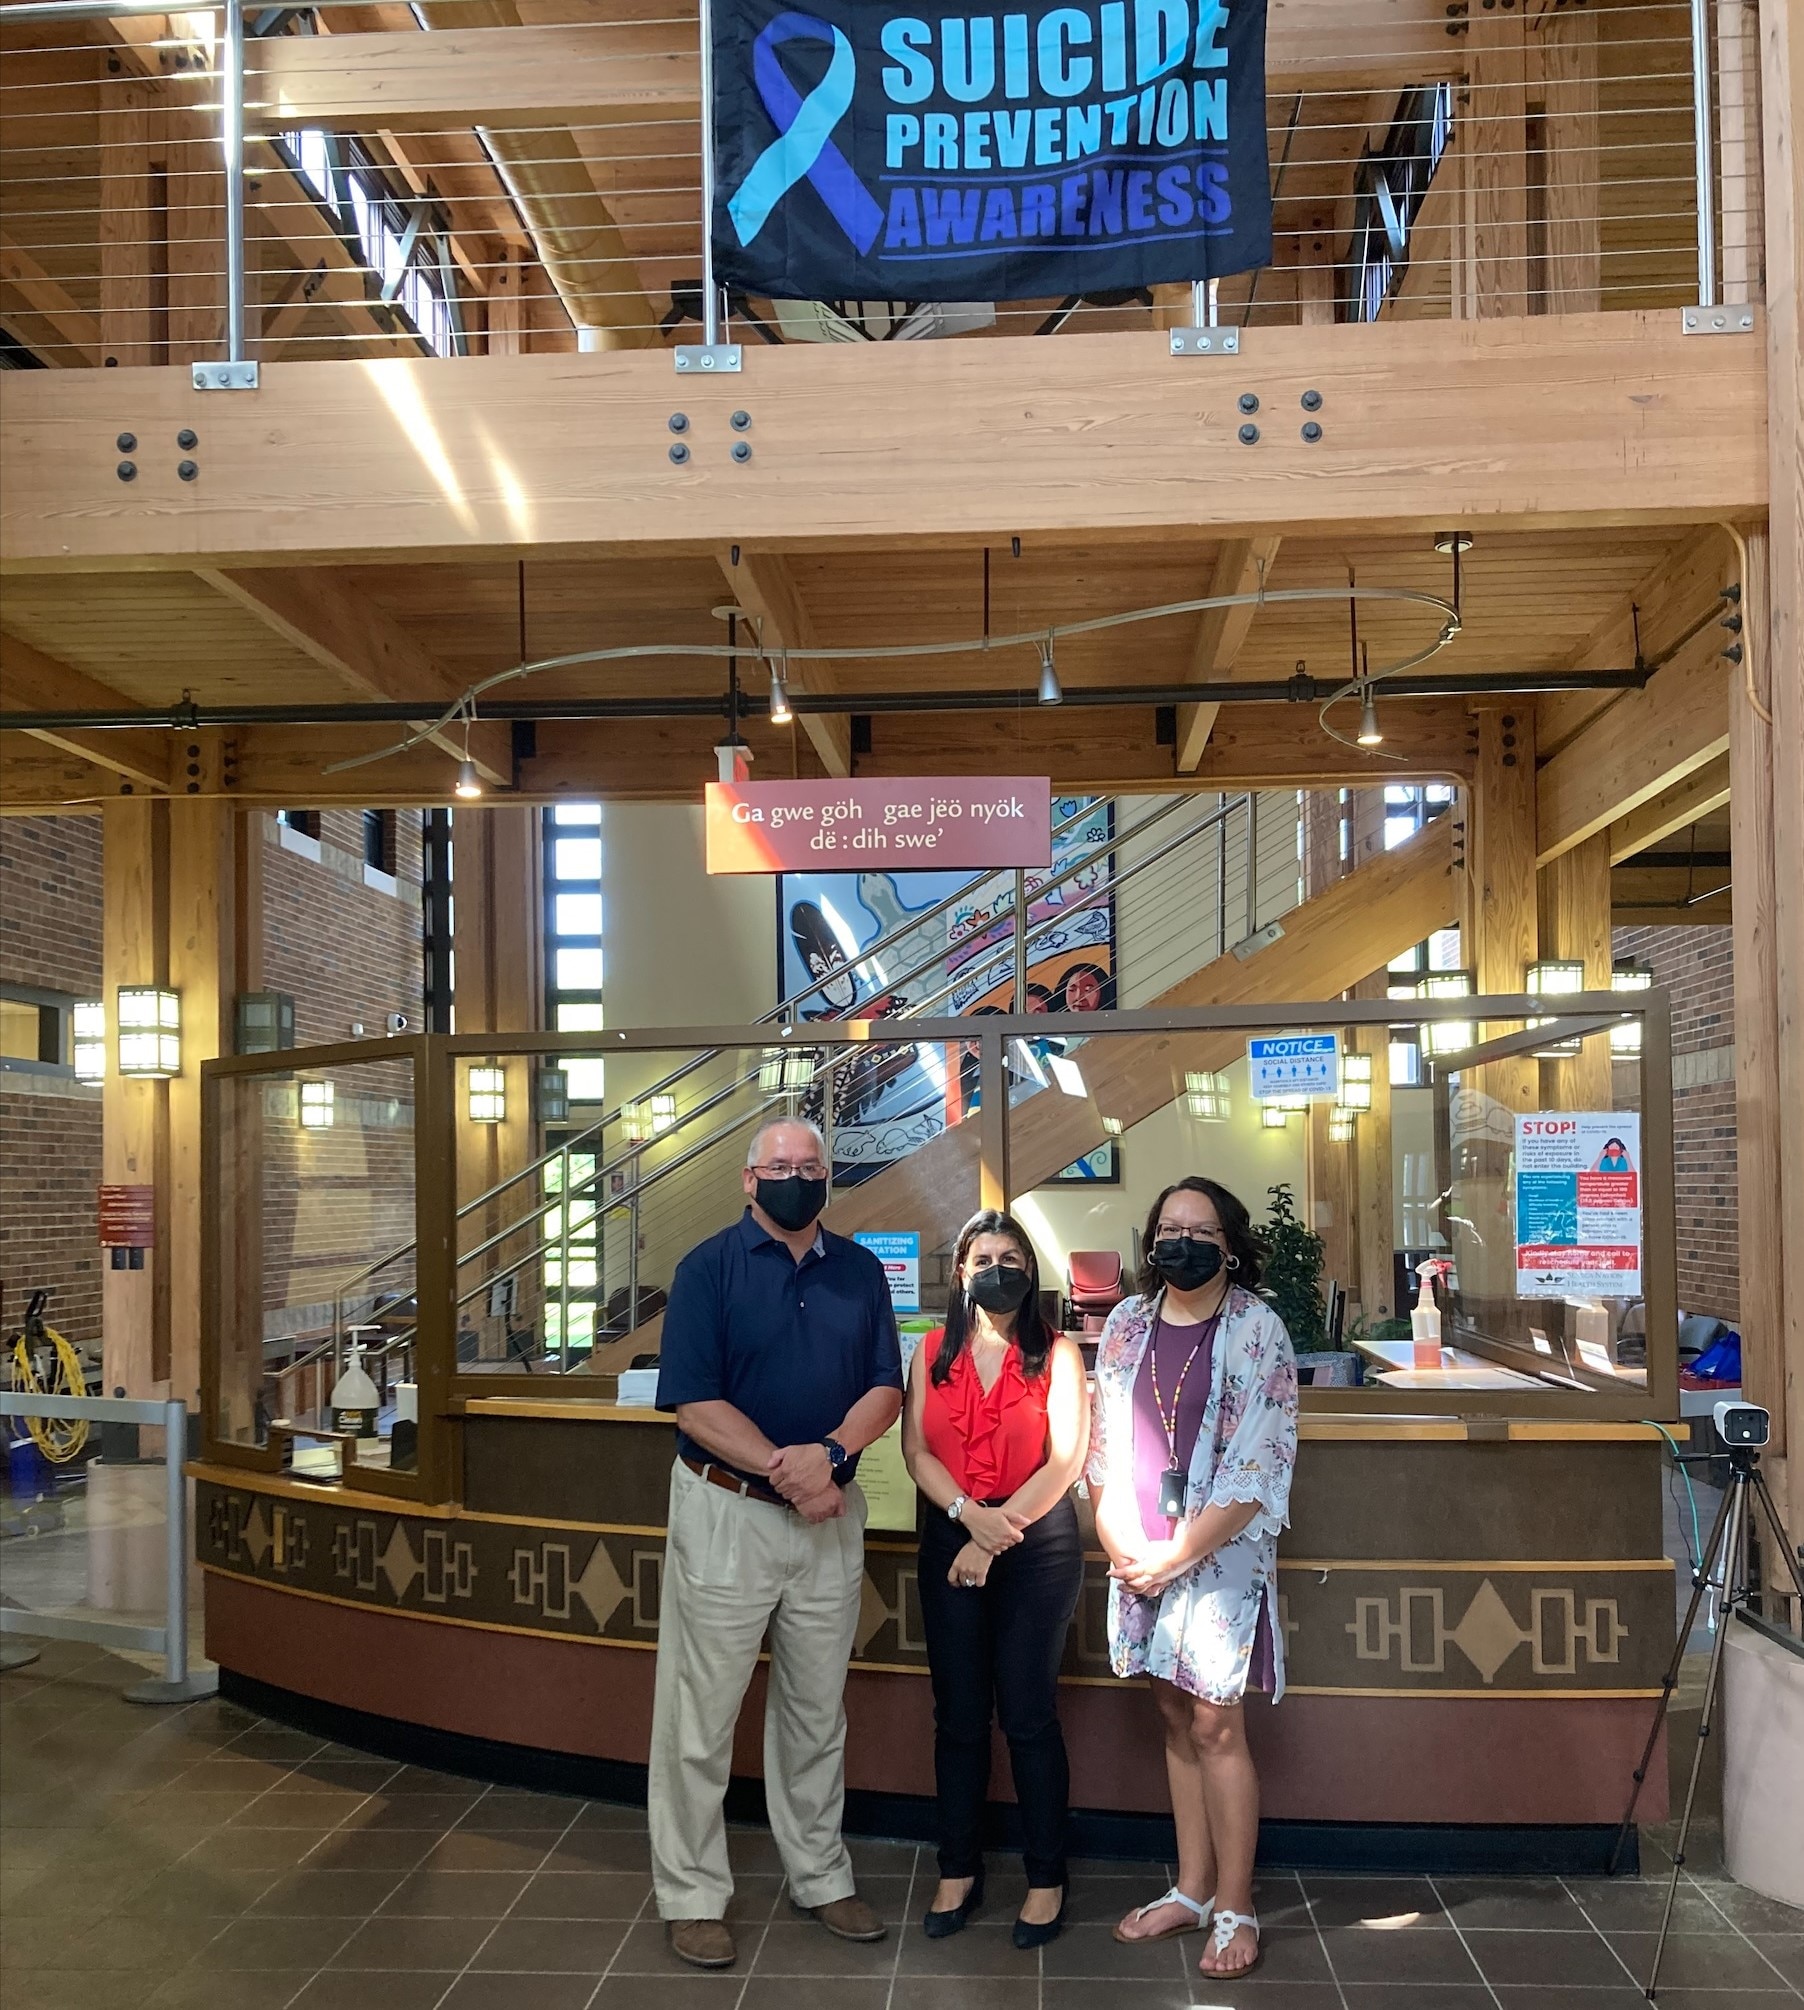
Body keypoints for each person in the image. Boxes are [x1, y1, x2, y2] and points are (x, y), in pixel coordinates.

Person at [650, 1118, 905, 1971]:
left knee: (814, 1712)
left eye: (811, 1166)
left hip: (829, 1516)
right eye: (780, 1167)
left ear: (828, 1177)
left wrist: (827, 1460)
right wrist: (781, 1467)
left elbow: (884, 1388)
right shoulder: (707, 1269)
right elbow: (693, 1402)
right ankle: (691, 1893)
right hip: (727, 1513)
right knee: (701, 1715)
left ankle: (821, 1876)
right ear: (749, 1180)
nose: (797, 1178)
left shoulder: (862, 1272)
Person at [1087, 1176, 1298, 1981]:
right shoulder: (1127, 1325)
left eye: (1201, 1229)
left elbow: (1257, 1467)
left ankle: (1237, 1905)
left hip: (1217, 1556)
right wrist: (1123, 1542)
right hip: (1137, 1551)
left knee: (1217, 1725)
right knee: (1173, 1716)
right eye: (1169, 1227)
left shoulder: (1258, 1328)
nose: (1183, 1240)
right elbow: (1103, 1454)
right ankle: (1193, 1888)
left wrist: (1176, 1554)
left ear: (1230, 1244)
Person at [900, 1210, 1090, 1948]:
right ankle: (958, 1868)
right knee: (957, 1716)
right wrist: (963, 1516)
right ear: (961, 1271)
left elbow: (1065, 1459)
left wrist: (994, 1531)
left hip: (1035, 1546)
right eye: (984, 1257)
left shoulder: (1059, 1353)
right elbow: (917, 1450)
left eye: (1012, 1257)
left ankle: (1046, 1879)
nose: (998, 1268)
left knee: (1029, 1717)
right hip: (951, 1534)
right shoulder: (931, 1353)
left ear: (1029, 1270)